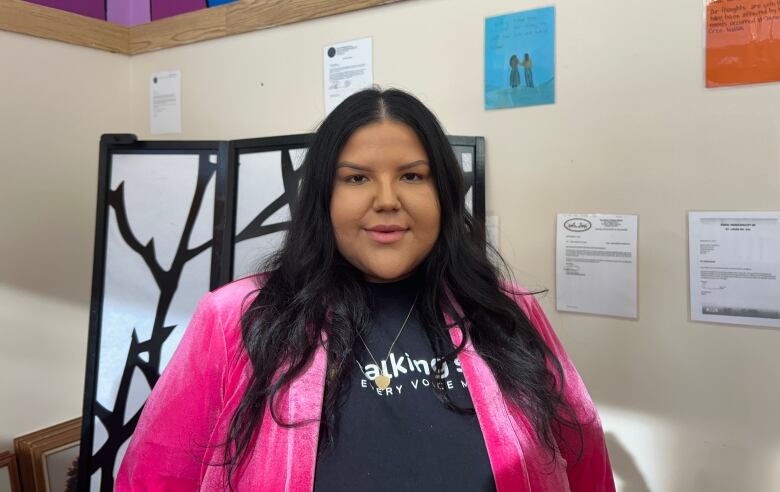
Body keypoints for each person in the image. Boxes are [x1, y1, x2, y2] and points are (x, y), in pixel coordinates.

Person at [116, 88, 615, 491]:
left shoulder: (510, 313)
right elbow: (154, 478)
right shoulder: (237, 319)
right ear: (321, 197)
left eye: (412, 176)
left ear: (442, 193)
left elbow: (584, 460)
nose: (386, 200)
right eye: (356, 178)